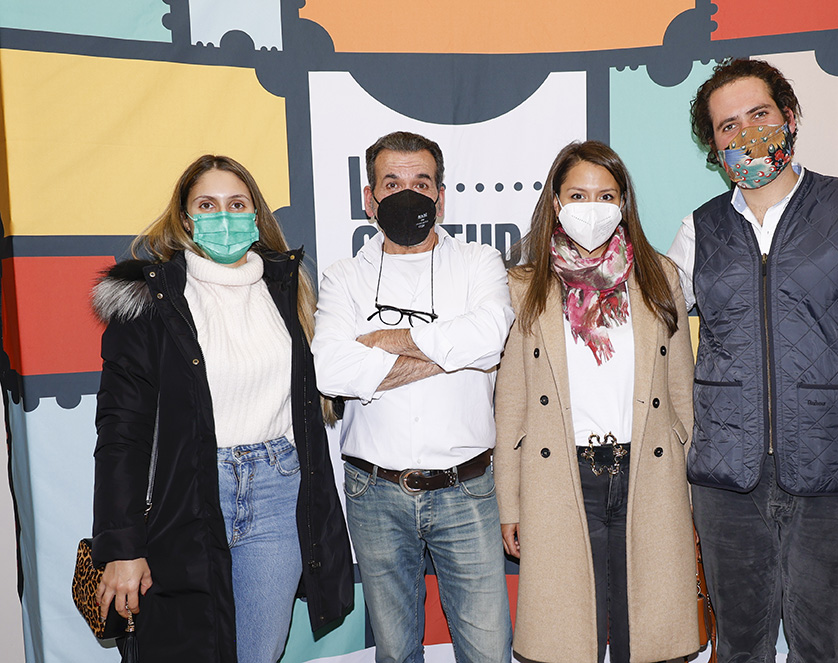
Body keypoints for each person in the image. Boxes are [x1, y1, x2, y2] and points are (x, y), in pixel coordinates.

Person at [667, 58, 838, 662]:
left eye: (759, 114)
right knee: (738, 647)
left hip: (834, 478)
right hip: (726, 482)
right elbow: (649, 319)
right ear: (715, 148)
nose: (747, 134)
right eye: (729, 126)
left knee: (820, 648)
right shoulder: (699, 231)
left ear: (789, 116)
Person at [91, 155, 354, 663]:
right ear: (186, 218)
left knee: (258, 653)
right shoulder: (149, 298)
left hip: (278, 491)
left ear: (256, 215)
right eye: (207, 205)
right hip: (185, 496)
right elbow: (122, 431)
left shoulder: (286, 287)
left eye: (237, 204)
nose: (224, 217)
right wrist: (121, 547)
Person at [312, 131, 515, 663]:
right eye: (392, 183)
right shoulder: (344, 277)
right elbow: (331, 371)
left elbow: (490, 337)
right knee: (396, 653)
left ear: (440, 198)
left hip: (466, 489)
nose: (408, 195)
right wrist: (452, 352)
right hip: (374, 492)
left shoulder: (478, 261)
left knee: (489, 651)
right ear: (369, 198)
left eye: (421, 184)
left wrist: (384, 341)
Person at [494, 140, 700, 663]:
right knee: (567, 640)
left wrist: (691, 487)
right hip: (560, 476)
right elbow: (511, 405)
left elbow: (682, 392)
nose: (593, 207)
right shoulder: (523, 285)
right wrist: (509, 504)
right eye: (578, 195)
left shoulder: (660, 277)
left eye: (606, 195)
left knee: (650, 639)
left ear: (623, 202)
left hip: (648, 473)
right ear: (556, 202)